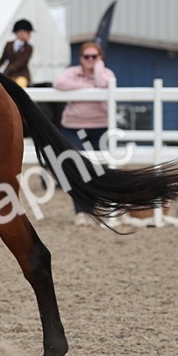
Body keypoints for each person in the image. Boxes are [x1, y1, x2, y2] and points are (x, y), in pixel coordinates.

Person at [54, 41, 116, 225]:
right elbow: (58, 83)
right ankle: (81, 211)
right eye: (86, 56)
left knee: (99, 171)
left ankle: (95, 209)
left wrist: (98, 69)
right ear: (80, 58)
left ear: (100, 58)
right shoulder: (72, 72)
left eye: (94, 57)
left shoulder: (106, 73)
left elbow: (105, 84)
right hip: (73, 128)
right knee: (77, 168)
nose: (90, 60)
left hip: (101, 128)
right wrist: (88, 88)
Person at [0, 19, 34, 87]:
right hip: (9, 76)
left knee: (20, 85)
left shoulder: (28, 48)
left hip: (21, 75)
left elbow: (21, 62)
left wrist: (6, 71)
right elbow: (2, 59)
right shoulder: (9, 45)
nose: (30, 35)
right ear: (20, 32)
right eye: (28, 32)